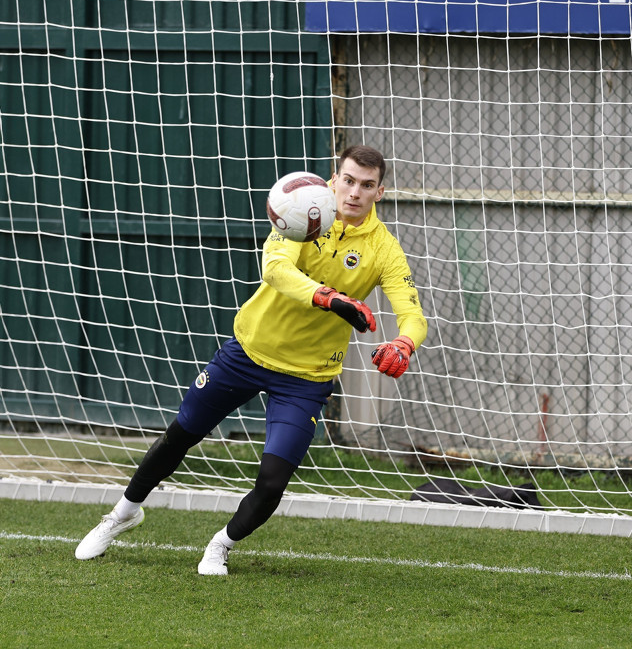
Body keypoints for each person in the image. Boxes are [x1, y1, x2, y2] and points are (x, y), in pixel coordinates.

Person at [75, 145, 427, 575]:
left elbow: (411, 311)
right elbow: (276, 270)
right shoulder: (301, 208)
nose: (354, 192)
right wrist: (329, 299)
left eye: (366, 185)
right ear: (334, 180)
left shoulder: (384, 249)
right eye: (348, 180)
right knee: (181, 435)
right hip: (247, 353)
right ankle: (122, 514)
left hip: (307, 377)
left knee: (273, 480)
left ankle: (220, 544)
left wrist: (404, 343)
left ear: (380, 192)